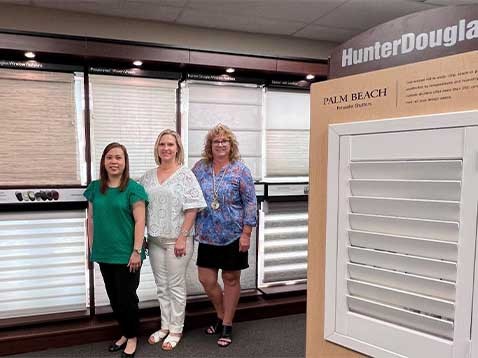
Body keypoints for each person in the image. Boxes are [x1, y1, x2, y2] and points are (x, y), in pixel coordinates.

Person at [140, 129, 206, 351]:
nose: (166, 148)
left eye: (170, 144)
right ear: (157, 148)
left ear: (177, 148)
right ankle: (165, 326)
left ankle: (176, 328)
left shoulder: (185, 174)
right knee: (162, 286)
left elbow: (193, 208)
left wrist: (182, 237)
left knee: (176, 285)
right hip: (155, 240)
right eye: (162, 144)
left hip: (177, 241)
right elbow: (138, 206)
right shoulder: (148, 176)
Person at [192, 123, 257, 348]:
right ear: (210, 145)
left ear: (231, 145)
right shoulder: (200, 168)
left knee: (230, 279)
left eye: (224, 141)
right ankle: (221, 314)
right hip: (207, 234)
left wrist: (247, 233)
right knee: (206, 280)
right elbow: (189, 195)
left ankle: (227, 324)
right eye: (216, 141)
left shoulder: (241, 170)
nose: (220, 144)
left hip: (234, 234)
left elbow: (250, 203)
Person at [84, 142, 148, 358]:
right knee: (114, 297)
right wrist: (93, 248)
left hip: (127, 254)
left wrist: (137, 251)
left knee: (127, 297)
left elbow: (140, 222)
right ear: (104, 161)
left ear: (125, 162)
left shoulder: (134, 189)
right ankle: (125, 331)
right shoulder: (95, 188)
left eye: (118, 157)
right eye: (110, 157)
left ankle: (132, 337)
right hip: (105, 253)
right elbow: (91, 220)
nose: (114, 161)